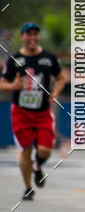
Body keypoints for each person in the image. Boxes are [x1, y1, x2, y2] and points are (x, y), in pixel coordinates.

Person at [0, 22, 66, 201]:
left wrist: (56, 92)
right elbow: (2, 83)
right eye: (28, 34)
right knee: (25, 150)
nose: (32, 37)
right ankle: (28, 187)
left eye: (35, 34)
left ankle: (37, 167)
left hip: (42, 113)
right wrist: (13, 85)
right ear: (22, 37)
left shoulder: (49, 58)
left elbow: (61, 78)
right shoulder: (14, 60)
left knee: (45, 150)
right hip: (21, 113)